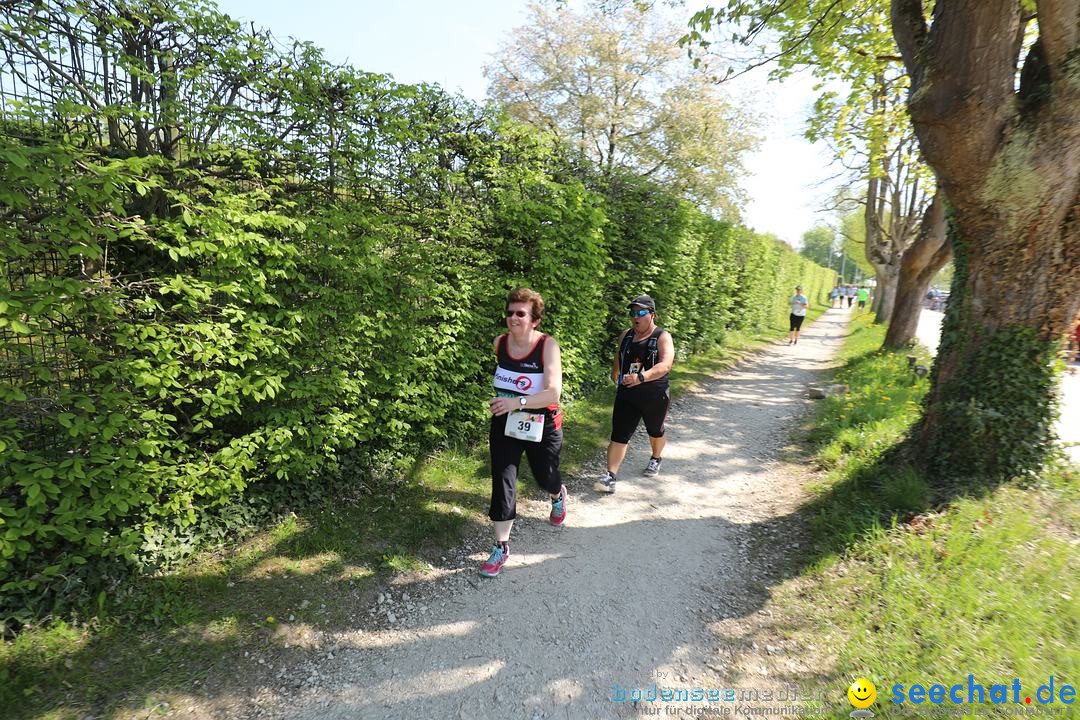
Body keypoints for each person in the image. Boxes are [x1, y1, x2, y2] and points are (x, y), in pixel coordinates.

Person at [480, 287, 566, 578]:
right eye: (510, 313)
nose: (513, 318)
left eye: (521, 314)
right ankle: (500, 547)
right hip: (506, 420)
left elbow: (553, 393)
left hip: (542, 421)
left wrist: (516, 402)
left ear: (535, 320)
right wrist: (508, 404)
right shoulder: (499, 343)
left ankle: (557, 495)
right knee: (503, 478)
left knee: (546, 477)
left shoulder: (547, 346)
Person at [595, 296, 675, 494]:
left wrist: (641, 377)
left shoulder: (662, 337)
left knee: (655, 430)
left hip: (654, 394)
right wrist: (616, 371)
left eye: (640, 313)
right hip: (627, 393)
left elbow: (665, 365)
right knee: (619, 434)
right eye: (632, 313)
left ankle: (656, 458)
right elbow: (619, 354)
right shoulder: (626, 336)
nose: (635, 317)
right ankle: (610, 476)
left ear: (652, 314)